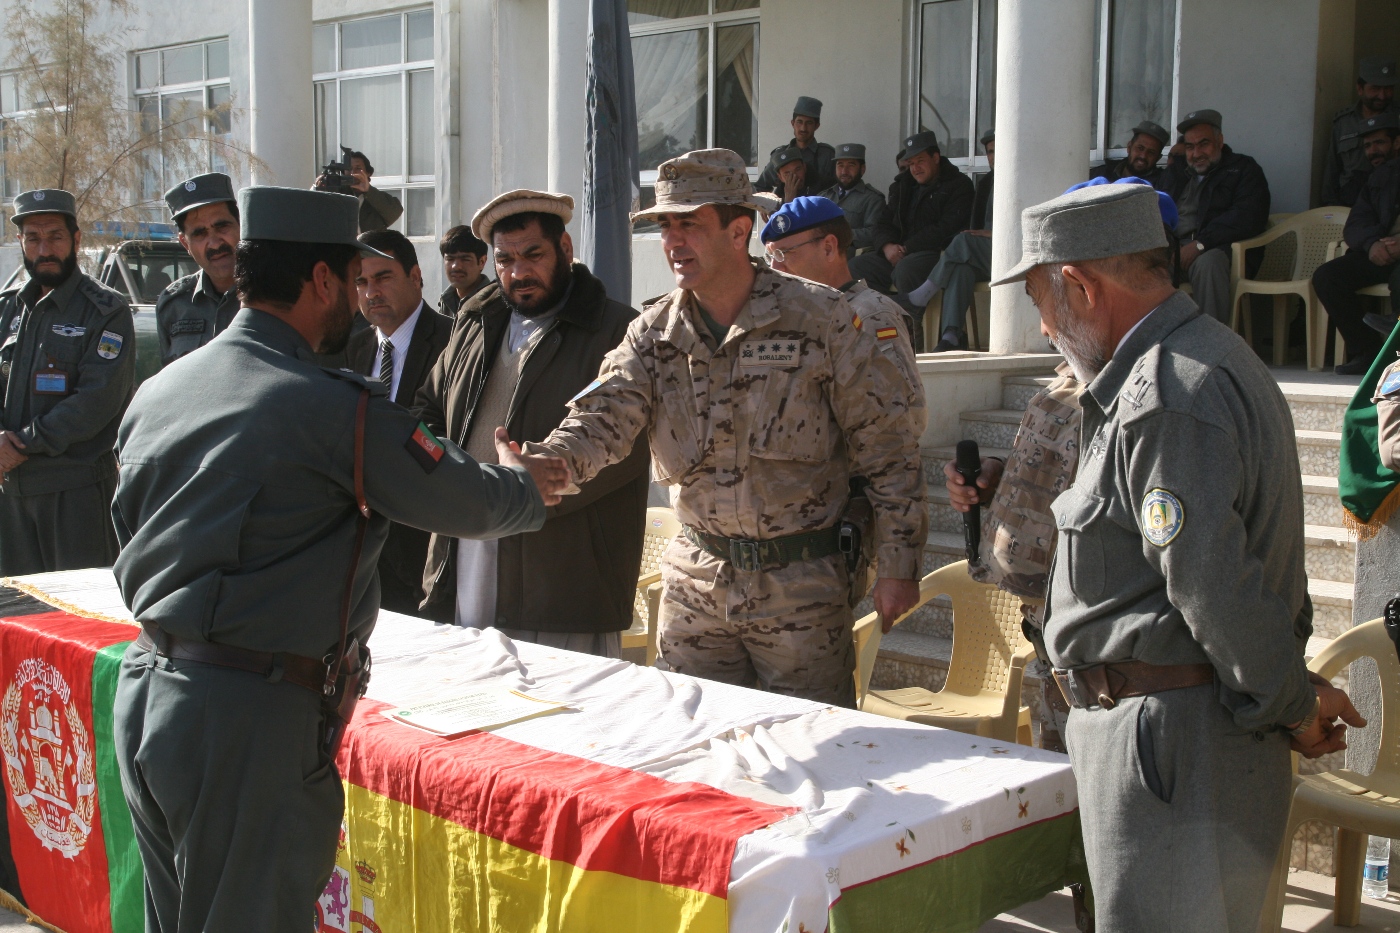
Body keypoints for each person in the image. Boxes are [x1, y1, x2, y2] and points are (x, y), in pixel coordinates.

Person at [111, 185, 566, 933]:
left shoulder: (163, 389)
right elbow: (462, 500)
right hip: (248, 723)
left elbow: (125, 525)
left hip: (148, 690)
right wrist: (530, 487)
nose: (357, 300)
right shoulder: (329, 405)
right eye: (350, 282)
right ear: (322, 281)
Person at [995, 181, 1364, 931]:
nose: (1040, 327)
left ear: (1078, 284)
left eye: (1040, 299)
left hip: (1172, 752)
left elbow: (1214, 588)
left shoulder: (1166, 391)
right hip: (1170, 742)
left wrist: (1289, 703)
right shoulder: (1175, 367)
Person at [523, 149, 927, 706]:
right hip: (696, 586)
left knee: (810, 760)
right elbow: (603, 413)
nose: (673, 241)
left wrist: (900, 565)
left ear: (740, 231)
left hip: (801, 588)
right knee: (695, 754)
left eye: (689, 223)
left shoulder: (824, 319)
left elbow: (890, 449)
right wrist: (554, 461)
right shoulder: (653, 332)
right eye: (665, 225)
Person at [416, 189, 649, 655]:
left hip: (563, 574)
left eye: (533, 255)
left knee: (565, 716)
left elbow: (626, 447)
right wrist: (450, 480)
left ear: (564, 249)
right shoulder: (476, 321)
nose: (518, 272)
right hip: (468, 548)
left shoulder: (619, 332)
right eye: (505, 259)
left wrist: (524, 493)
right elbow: (426, 410)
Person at [0, 188, 134, 575]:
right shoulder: (8, 308)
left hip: (75, 495)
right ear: (21, 243)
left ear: (75, 239)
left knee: (80, 620)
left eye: (55, 237)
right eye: (33, 238)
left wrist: (20, 442)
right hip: (11, 493)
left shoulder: (105, 311)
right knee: (19, 618)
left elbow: (95, 401)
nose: (44, 249)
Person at [345, 229, 453, 615]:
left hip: (425, 549)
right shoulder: (349, 348)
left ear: (416, 277)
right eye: (361, 281)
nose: (371, 291)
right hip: (361, 557)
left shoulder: (455, 343)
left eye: (383, 277)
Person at [758, 196, 926, 439]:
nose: (775, 267)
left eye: (784, 254)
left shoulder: (870, 314)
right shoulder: (799, 317)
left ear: (828, 247)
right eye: (770, 257)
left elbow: (905, 418)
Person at [850, 130, 975, 351]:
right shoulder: (902, 185)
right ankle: (876, 330)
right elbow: (882, 223)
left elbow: (947, 228)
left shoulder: (958, 185)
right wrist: (887, 246)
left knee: (906, 270)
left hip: (934, 254)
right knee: (857, 267)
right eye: (911, 163)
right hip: (895, 253)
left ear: (936, 158)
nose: (915, 168)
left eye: (920, 161)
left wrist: (906, 248)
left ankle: (912, 343)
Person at [1162, 109, 1270, 324]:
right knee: (1138, 266)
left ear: (1220, 141)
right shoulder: (1176, 173)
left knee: (1208, 264)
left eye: (1204, 144)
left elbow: (1248, 216)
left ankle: (1211, 349)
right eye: (1190, 147)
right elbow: (1155, 208)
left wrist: (1200, 244)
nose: (1196, 153)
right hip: (1173, 248)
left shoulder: (1243, 169)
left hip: (1216, 249)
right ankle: (1152, 348)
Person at [903, 129, 997, 352]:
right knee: (961, 269)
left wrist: (997, 234)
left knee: (963, 242)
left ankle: (921, 296)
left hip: (1015, 251)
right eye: (990, 152)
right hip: (989, 254)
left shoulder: (1025, 180)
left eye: (998, 151)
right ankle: (952, 336)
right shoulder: (986, 183)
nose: (994, 156)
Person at [1313, 148, 1400, 375]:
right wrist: (1372, 244)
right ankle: (1368, 352)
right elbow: (1357, 221)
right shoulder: (1385, 174)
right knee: (1327, 277)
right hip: (1383, 250)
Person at [155, 173, 241, 367]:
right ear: (185, 243)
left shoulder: (273, 293)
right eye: (200, 233)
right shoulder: (173, 304)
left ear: (241, 226)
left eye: (222, 227)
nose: (214, 243)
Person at [1323, 56, 1398, 207]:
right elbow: (1332, 171)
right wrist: (1329, 211)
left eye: (1388, 89)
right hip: (1349, 205)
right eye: (1375, 89)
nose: (1382, 96)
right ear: (1360, 89)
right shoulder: (1343, 122)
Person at [755, 96, 837, 194]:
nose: (803, 128)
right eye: (799, 122)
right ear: (792, 123)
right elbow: (760, 188)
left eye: (809, 123)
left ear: (816, 126)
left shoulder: (827, 155)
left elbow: (838, 190)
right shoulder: (780, 155)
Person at [817, 143, 886, 255]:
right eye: (840, 165)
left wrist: (841, 234)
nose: (844, 171)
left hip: (847, 254)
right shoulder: (823, 196)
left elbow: (874, 233)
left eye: (851, 165)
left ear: (862, 169)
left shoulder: (873, 199)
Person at [315, 149, 404, 233]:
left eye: (358, 168)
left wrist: (368, 190)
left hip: (368, 247)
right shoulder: (337, 193)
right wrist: (317, 187)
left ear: (368, 173)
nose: (352, 173)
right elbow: (313, 213)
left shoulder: (375, 198)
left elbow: (395, 212)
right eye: (349, 169)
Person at [1337, 111, 1400, 208]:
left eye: (1379, 142)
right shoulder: (1359, 184)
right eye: (1367, 145)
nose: (1373, 151)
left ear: (1396, 143)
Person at [1088, 120, 1170, 188]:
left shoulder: (1162, 184)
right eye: (1140, 148)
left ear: (1158, 158)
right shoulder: (1101, 174)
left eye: (1151, 152)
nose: (1143, 155)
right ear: (1129, 147)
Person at [438, 224, 492, 316]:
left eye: (465, 259)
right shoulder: (447, 301)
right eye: (450, 259)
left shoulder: (493, 304)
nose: (456, 266)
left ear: (482, 262)